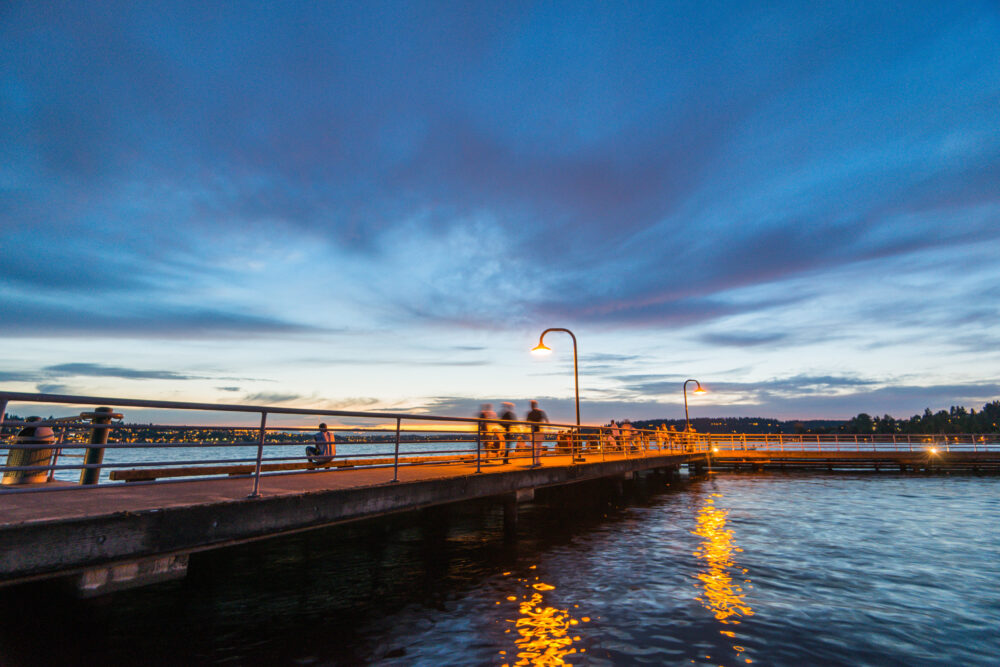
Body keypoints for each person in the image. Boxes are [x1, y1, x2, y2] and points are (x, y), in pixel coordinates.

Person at [526, 400, 549, 464]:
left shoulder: (529, 413)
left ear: (531, 405)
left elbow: (526, 423)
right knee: (538, 446)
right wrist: (548, 427)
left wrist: (525, 430)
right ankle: (537, 460)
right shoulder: (540, 412)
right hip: (539, 431)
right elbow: (546, 420)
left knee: (534, 446)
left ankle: (535, 460)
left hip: (533, 431)